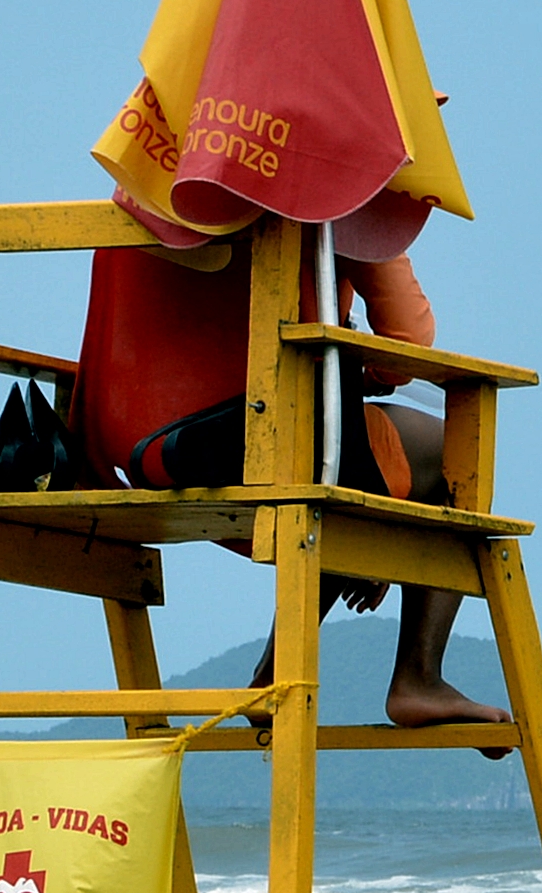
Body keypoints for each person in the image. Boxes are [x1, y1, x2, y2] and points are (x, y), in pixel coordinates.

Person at [74, 236, 511, 737]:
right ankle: (419, 676)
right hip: (264, 449)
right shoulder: (331, 198)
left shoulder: (147, 192)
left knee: (327, 468)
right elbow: (406, 347)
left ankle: (274, 671)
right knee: (444, 448)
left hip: (136, 448)